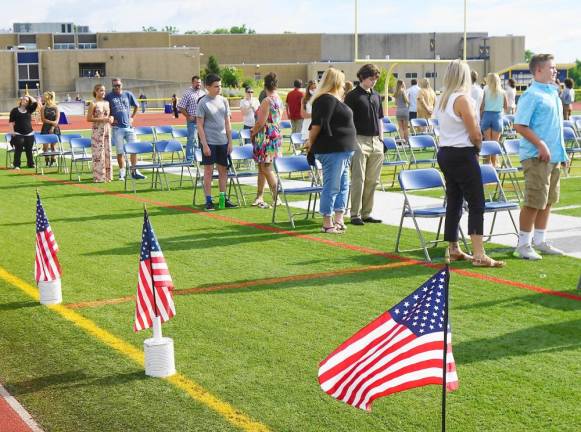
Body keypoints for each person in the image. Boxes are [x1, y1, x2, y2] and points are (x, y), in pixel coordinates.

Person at [435, 60, 505, 268]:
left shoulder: (443, 98)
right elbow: (474, 132)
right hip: (462, 153)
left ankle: (453, 247)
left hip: (446, 152)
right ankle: (479, 253)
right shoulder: (462, 99)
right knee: (476, 202)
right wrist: (478, 145)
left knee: (455, 200)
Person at [513, 54, 568, 260]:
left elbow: (556, 127)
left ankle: (539, 240)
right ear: (538, 70)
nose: (555, 71)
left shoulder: (552, 92)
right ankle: (523, 244)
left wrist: (561, 152)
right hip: (536, 157)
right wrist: (540, 144)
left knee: (548, 200)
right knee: (534, 200)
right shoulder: (532, 94)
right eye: (552, 68)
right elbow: (519, 124)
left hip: (552, 156)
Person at [308, 68, 357, 234]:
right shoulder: (326, 100)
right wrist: (310, 145)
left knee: (343, 185)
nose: (344, 84)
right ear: (336, 81)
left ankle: (338, 217)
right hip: (332, 150)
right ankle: (327, 222)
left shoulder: (335, 99)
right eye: (342, 81)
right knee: (332, 186)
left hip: (343, 151)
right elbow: (316, 125)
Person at [344, 63, 384, 226]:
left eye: (375, 78)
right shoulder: (352, 96)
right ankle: (355, 214)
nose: (373, 81)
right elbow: (347, 120)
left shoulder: (376, 95)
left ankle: (367, 212)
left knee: (373, 180)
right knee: (358, 178)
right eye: (370, 78)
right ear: (362, 77)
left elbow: (380, 118)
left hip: (375, 140)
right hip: (359, 139)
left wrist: (381, 139)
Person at [197, 73, 237, 211]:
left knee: (223, 171)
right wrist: (205, 144)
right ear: (207, 87)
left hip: (223, 141)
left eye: (220, 86)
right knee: (208, 171)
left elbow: (228, 123)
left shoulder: (224, 101)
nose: (219, 88)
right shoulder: (203, 102)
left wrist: (230, 142)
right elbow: (199, 126)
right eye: (215, 86)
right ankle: (208, 200)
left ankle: (222, 199)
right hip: (210, 142)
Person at [250, 72, 282, 209]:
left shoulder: (267, 100)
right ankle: (260, 196)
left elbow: (260, 122)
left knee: (266, 167)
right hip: (275, 134)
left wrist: (252, 132)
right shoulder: (278, 99)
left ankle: (277, 196)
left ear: (265, 85)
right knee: (262, 166)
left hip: (266, 136)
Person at [104, 77, 144, 181]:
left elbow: (137, 106)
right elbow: (105, 109)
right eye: (115, 85)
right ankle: (122, 172)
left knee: (134, 149)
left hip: (129, 127)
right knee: (120, 151)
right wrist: (110, 118)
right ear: (112, 86)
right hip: (117, 128)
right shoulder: (109, 96)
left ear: (122, 85)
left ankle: (134, 170)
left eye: (118, 85)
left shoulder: (128, 94)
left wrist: (132, 118)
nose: (117, 87)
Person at [86, 84, 113, 183]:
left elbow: (110, 115)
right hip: (97, 130)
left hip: (107, 129)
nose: (103, 93)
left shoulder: (107, 103)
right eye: (101, 90)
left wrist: (111, 118)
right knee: (98, 153)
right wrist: (103, 119)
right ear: (96, 91)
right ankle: (99, 177)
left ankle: (108, 176)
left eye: (104, 91)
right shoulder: (93, 104)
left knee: (107, 151)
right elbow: (88, 118)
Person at [480, 73, 508, 166]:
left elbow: (482, 105)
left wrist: (480, 116)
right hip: (498, 116)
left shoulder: (485, 89)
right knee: (495, 143)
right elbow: (506, 106)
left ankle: (487, 163)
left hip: (487, 115)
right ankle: (494, 163)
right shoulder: (503, 92)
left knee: (487, 141)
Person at [177, 75, 205, 162]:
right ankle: (189, 159)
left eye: (200, 83)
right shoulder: (187, 93)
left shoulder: (203, 93)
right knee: (191, 139)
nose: (199, 84)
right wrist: (188, 116)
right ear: (192, 83)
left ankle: (201, 158)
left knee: (202, 139)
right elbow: (180, 107)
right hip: (192, 121)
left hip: (202, 121)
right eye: (197, 83)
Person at [9, 95, 38, 169]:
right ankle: (17, 165)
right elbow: (11, 122)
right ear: (21, 101)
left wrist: (28, 96)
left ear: (28, 103)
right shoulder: (15, 110)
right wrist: (12, 131)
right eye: (23, 99)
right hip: (18, 133)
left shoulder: (29, 109)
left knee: (29, 149)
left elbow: (35, 102)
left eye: (26, 100)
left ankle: (31, 164)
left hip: (29, 133)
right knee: (19, 149)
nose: (24, 101)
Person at [40, 91, 60, 167]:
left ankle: (53, 159)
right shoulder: (43, 108)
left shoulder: (56, 107)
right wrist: (52, 122)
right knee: (45, 146)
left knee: (53, 146)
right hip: (45, 128)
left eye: (44, 96)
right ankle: (47, 159)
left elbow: (57, 120)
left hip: (55, 128)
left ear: (48, 97)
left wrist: (52, 127)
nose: (43, 98)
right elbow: (43, 119)